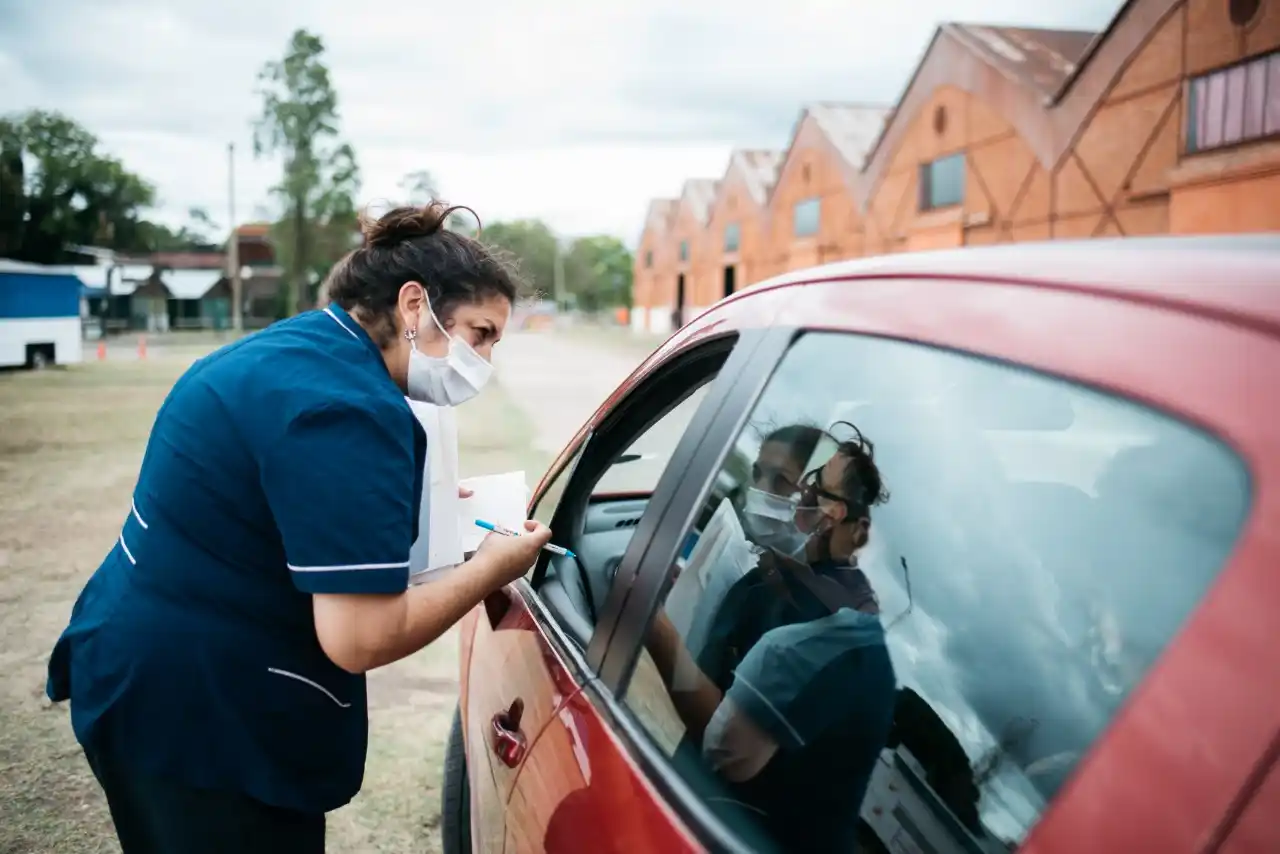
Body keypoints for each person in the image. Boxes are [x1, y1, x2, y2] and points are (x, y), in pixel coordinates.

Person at [45, 201, 554, 854]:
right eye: (481, 334)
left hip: (138, 665)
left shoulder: (299, 352)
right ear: (413, 305)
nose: (484, 358)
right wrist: (491, 566)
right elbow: (360, 637)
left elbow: (282, 503)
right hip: (198, 715)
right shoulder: (345, 410)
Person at [645, 422, 898, 852]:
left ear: (830, 511)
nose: (760, 491)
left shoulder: (821, 627)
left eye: (782, 481)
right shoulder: (793, 577)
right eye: (758, 473)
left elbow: (722, 739)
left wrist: (653, 626)